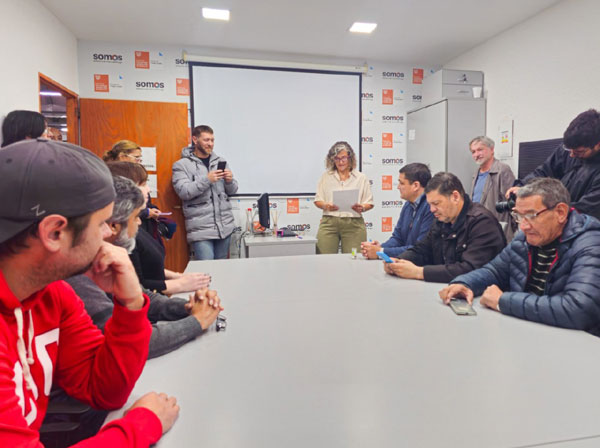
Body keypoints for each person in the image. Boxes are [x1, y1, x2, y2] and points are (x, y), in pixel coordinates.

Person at [0, 139, 178, 445]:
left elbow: (104, 389)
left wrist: (130, 303)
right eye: (102, 223)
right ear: (54, 232)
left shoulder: (52, 294)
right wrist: (140, 426)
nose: (110, 233)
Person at [67, 175, 223, 359]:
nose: (140, 223)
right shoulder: (78, 277)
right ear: (114, 225)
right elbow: (132, 342)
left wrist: (189, 307)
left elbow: (144, 299)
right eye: (136, 218)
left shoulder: (106, 257)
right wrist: (197, 321)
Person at [440, 178, 600, 336]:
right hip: (527, 330)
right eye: (519, 216)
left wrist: (503, 301)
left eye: (531, 215)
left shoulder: (591, 244)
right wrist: (465, 283)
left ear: (560, 212)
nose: (523, 226)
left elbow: (579, 309)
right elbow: (494, 271)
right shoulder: (525, 239)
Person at [106, 161, 210, 294]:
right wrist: (181, 284)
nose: (149, 190)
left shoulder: (137, 225)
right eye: (142, 184)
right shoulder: (123, 234)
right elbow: (139, 286)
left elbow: (149, 267)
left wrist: (178, 276)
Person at [384, 172, 506, 283]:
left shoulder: (482, 223)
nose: (432, 210)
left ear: (455, 197)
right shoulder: (442, 219)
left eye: (436, 203)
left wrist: (419, 272)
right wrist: (398, 261)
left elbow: (470, 269)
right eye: (430, 204)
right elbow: (422, 249)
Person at [506, 109, 600, 220]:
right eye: (569, 149)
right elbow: (544, 172)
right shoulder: (566, 151)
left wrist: (544, 212)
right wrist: (523, 186)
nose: (571, 155)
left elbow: (587, 209)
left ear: (598, 144)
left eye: (579, 152)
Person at [172, 125, 238, 260]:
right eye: (206, 140)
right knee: (206, 268)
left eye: (212, 140)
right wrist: (207, 180)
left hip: (224, 227)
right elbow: (184, 192)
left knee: (222, 268)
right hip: (201, 229)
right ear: (195, 140)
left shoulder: (220, 161)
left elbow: (232, 191)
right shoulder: (181, 165)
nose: (210, 144)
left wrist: (229, 181)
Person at [361, 163, 433, 259]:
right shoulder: (408, 205)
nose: (398, 187)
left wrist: (381, 252)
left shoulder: (430, 208)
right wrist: (379, 247)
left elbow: (419, 249)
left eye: (402, 183)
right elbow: (398, 238)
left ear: (415, 186)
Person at [314, 141, 374, 254]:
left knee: (354, 259)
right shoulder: (325, 177)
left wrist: (362, 207)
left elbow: (369, 203)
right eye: (336, 158)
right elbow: (318, 200)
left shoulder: (361, 178)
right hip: (329, 222)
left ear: (350, 158)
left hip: (354, 223)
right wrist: (326, 205)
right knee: (324, 259)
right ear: (332, 160)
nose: (340, 162)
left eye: (343, 158)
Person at [468, 136, 516, 241]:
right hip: (478, 227)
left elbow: (512, 203)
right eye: (473, 152)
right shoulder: (476, 173)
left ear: (492, 149)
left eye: (480, 150)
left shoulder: (502, 170)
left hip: (497, 230)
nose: (476, 155)